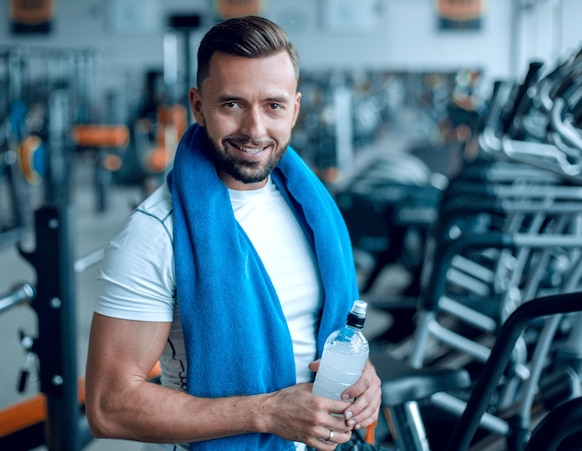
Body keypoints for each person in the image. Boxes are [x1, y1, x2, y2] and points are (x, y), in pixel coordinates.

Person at [85, 15, 386, 451]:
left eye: (273, 105)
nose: (255, 129)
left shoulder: (311, 211)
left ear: (295, 109)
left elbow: (318, 335)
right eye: (232, 104)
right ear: (197, 105)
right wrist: (267, 412)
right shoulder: (155, 234)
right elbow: (109, 406)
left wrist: (363, 373)